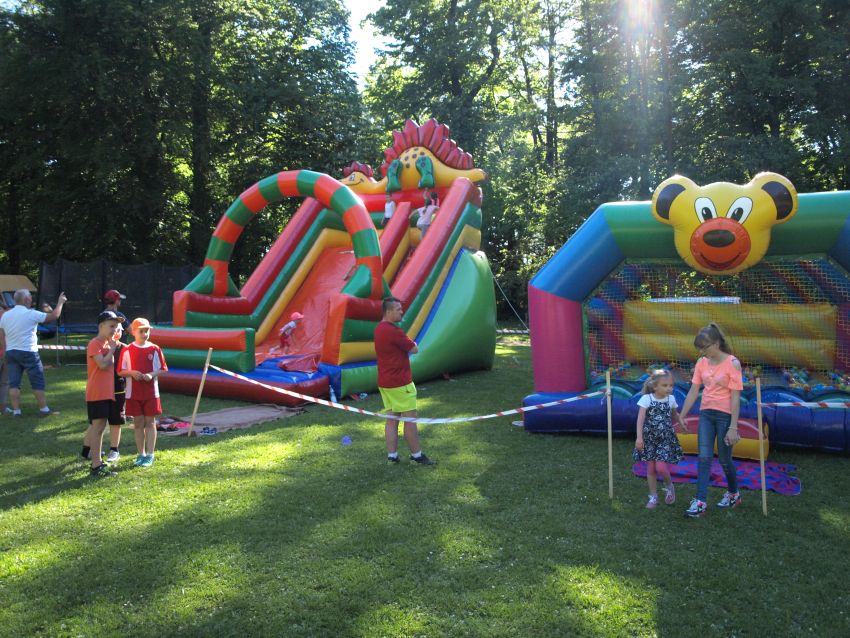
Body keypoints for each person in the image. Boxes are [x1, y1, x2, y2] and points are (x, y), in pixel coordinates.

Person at [679, 323, 743, 518]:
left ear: (716, 344)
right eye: (699, 348)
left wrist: (733, 427)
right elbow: (693, 390)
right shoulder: (701, 362)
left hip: (725, 417)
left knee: (724, 460)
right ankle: (700, 502)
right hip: (706, 414)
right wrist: (682, 414)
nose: (701, 352)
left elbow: (735, 398)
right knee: (704, 457)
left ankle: (733, 494)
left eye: (704, 347)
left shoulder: (733, 363)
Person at [374, 296, 435, 465]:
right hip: (400, 383)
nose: (402, 312)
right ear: (388, 311)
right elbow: (414, 349)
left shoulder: (379, 329)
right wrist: (410, 341)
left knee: (392, 419)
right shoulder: (394, 331)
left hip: (385, 382)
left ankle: (392, 457)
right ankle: (417, 456)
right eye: (398, 309)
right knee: (410, 420)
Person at [0, 288, 66, 416]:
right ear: (26, 299)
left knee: (14, 383)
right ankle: (43, 409)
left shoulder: (6, 315)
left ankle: (16, 411)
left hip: (11, 352)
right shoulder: (31, 313)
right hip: (28, 352)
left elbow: (2, 336)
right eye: (30, 296)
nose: (31, 299)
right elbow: (54, 316)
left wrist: (6, 350)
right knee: (37, 382)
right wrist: (60, 302)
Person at [119, 318, 168, 468]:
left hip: (151, 393)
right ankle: (141, 454)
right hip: (133, 393)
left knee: (150, 422)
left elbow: (163, 369)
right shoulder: (127, 350)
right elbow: (120, 371)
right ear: (133, 332)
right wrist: (132, 373)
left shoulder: (155, 349)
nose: (145, 334)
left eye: (147, 331)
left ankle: (150, 454)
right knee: (138, 423)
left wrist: (151, 375)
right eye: (141, 331)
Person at [634, 369, 686, 509]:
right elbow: (640, 419)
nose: (669, 388)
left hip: (665, 438)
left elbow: (675, 415)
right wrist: (639, 438)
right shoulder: (647, 399)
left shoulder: (671, 399)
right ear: (655, 386)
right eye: (665, 385)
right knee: (651, 468)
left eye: (671, 385)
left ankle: (669, 486)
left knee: (661, 467)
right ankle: (653, 497)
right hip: (649, 439)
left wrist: (681, 422)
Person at [82, 311, 122, 477]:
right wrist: (112, 349)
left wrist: (112, 346)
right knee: (97, 428)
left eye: (116, 327)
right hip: (97, 392)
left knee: (100, 428)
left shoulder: (107, 344)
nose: (114, 330)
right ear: (101, 326)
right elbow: (103, 365)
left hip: (107, 393)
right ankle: (96, 465)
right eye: (111, 326)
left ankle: (97, 462)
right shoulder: (95, 343)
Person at [0, 298, 9, 415]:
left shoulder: (6, 317)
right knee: (4, 382)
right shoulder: (6, 317)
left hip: (5, 353)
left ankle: (2, 408)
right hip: (5, 353)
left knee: (4, 382)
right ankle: (2, 408)